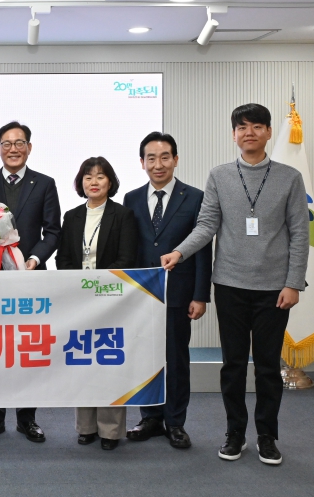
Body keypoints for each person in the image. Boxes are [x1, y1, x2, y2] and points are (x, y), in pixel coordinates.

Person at [161, 104, 309, 465]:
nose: (249, 133)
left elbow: (300, 234)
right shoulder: (220, 176)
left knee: (268, 367)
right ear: (233, 135)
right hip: (229, 285)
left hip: (274, 289)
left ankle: (267, 436)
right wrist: (179, 252)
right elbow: (206, 225)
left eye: (257, 126)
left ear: (269, 132)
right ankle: (235, 433)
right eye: (242, 127)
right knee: (233, 365)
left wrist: (293, 283)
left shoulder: (289, 177)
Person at [0, 121, 61, 444]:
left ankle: (27, 418)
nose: (13, 149)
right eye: (6, 144)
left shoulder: (45, 184)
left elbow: (53, 231)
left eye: (20, 143)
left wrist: (33, 260)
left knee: (27, 347)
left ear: (29, 148)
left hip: (30, 277)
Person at [122, 132, 212, 449]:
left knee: (176, 360)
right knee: (145, 358)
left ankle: (175, 422)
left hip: (179, 293)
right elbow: (129, 247)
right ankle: (150, 417)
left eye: (164, 157)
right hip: (142, 295)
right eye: (151, 158)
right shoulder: (131, 198)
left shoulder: (196, 197)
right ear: (142, 162)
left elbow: (202, 248)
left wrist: (200, 295)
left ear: (175, 159)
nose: (158, 164)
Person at [55, 156, 138, 450]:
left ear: (110, 182)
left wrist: (97, 286)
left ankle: (111, 431)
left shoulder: (123, 215)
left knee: (108, 361)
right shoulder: (72, 216)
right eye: (88, 177)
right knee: (83, 360)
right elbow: (63, 258)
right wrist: (79, 286)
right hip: (78, 301)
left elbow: (126, 259)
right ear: (81, 182)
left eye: (100, 176)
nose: (94, 182)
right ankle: (86, 427)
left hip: (111, 300)